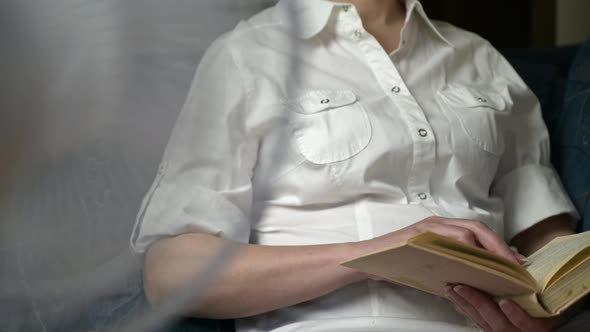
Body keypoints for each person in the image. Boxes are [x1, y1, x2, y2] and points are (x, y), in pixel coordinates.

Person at [130, 0, 582, 331]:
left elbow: (546, 238)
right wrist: (377, 254)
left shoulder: (479, 57)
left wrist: (550, 309)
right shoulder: (246, 54)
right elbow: (173, 275)